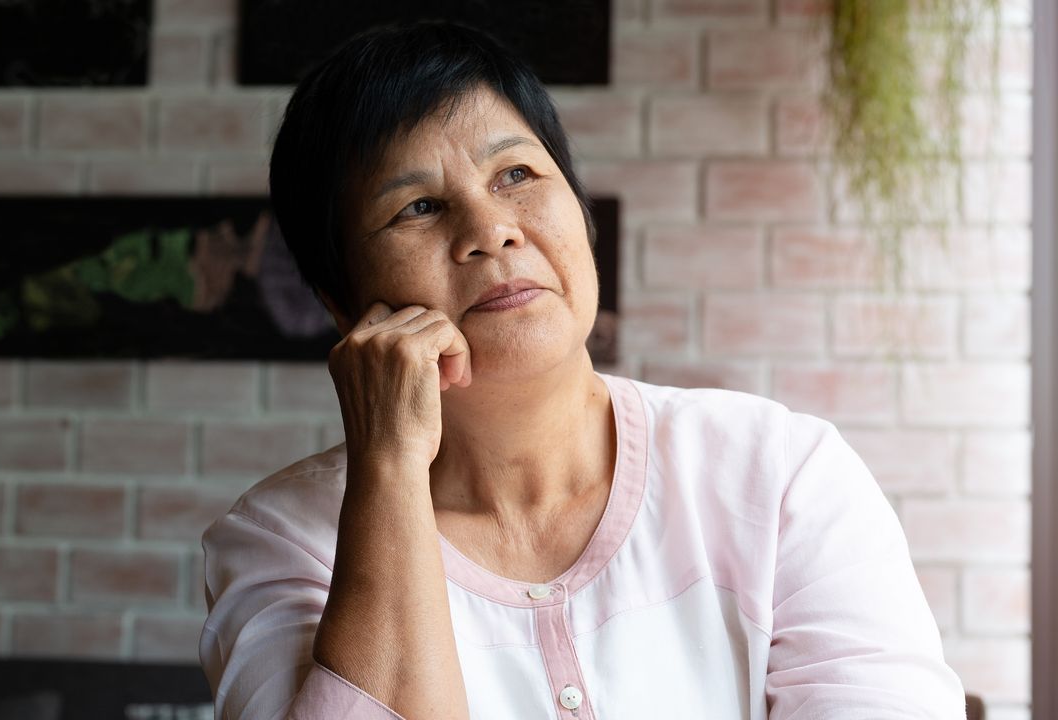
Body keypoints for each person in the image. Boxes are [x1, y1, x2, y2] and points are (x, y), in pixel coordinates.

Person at [199, 21, 966, 720]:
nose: (491, 230)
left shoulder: (780, 474)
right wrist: (391, 468)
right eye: (419, 209)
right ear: (342, 303)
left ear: (581, 211)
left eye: (516, 176)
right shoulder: (280, 543)